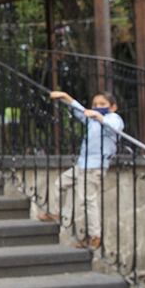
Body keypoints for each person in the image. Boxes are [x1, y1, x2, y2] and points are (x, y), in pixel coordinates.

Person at [36, 90, 124, 250]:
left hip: (95, 167)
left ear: (113, 107)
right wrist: (66, 97)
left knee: (87, 201)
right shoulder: (91, 120)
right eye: (95, 104)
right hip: (82, 165)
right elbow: (79, 110)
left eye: (102, 104)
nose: (98, 107)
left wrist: (99, 116)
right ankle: (55, 213)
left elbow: (114, 128)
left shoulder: (114, 118)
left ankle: (94, 236)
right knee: (60, 183)